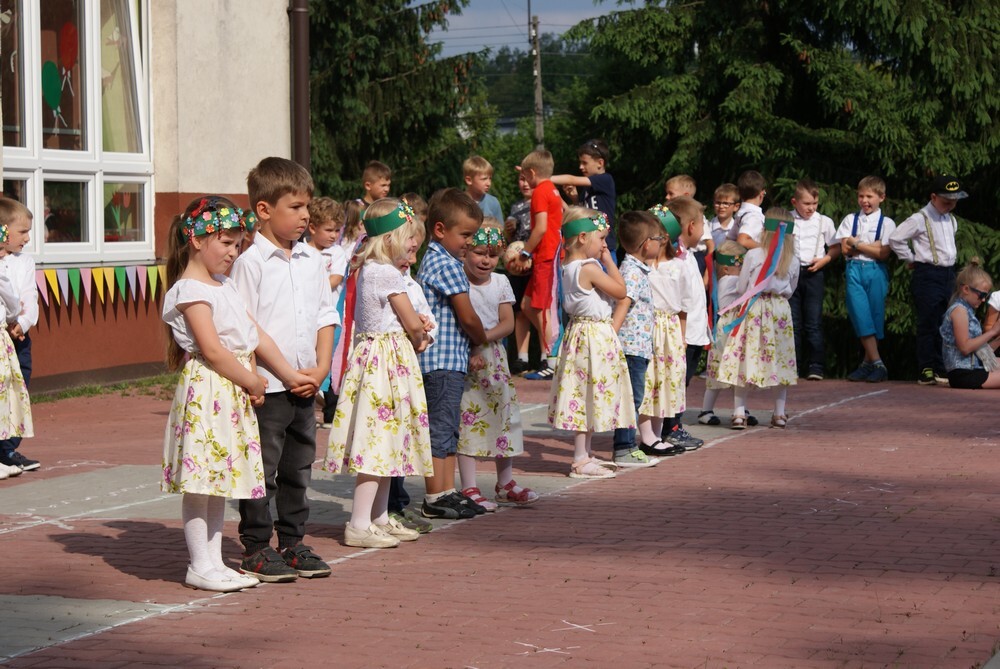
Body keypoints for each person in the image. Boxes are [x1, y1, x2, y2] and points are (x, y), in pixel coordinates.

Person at [161, 196, 315, 592]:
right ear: (197, 240)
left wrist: (286, 373)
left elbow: (254, 334)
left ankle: (213, 561)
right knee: (201, 483)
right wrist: (251, 381)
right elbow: (212, 349)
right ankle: (200, 563)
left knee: (218, 481)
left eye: (237, 244)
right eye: (226, 243)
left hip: (229, 392)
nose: (234, 252)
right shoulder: (191, 290)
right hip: (210, 390)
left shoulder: (224, 285)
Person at [230, 157, 337, 583]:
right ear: (263, 210)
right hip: (268, 386)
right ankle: (256, 547)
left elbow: (325, 316)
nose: (305, 215)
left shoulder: (312, 260)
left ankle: (292, 542)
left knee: (298, 468)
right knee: (262, 469)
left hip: (305, 384)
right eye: (295, 207)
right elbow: (245, 326)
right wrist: (283, 374)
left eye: (307, 207)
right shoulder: (249, 262)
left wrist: (321, 367)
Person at [324, 199, 432, 548]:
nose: (414, 242)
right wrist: (422, 331)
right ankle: (359, 523)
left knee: (387, 442)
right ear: (388, 239)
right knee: (377, 442)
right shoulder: (386, 273)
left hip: (381, 357)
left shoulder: (371, 269)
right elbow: (410, 321)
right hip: (386, 360)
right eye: (407, 236)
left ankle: (379, 517)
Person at [456, 223, 539, 508]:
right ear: (466, 251)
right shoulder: (458, 280)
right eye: (479, 253)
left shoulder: (501, 282)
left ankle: (505, 482)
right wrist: (472, 345)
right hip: (465, 356)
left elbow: (507, 323)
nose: (485, 260)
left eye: (492, 255)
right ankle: (469, 486)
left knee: (504, 417)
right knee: (468, 420)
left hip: (493, 358)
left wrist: (481, 340)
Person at [548, 208, 635, 479]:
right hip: (593, 338)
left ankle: (584, 455)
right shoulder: (588, 268)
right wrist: (609, 260)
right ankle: (579, 459)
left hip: (582, 335)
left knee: (586, 395)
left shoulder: (568, 267)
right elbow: (621, 291)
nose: (604, 245)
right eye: (601, 239)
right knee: (589, 396)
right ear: (583, 237)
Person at [417, 188, 488, 519]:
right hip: (440, 361)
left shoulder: (443, 259)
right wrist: (481, 338)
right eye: (465, 234)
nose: (470, 242)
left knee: (447, 429)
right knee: (440, 429)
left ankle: (445, 490)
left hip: (449, 361)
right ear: (440, 229)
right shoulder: (444, 264)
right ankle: (434, 495)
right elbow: (468, 315)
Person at [717, 209, 800, 428]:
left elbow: (743, 286)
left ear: (765, 231)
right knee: (781, 359)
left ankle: (738, 413)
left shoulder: (753, 255)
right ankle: (779, 413)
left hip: (753, 309)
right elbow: (791, 289)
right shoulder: (793, 260)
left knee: (746, 357)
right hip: (779, 310)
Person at [890, 175, 968, 385]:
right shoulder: (920, 218)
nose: (951, 205)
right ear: (933, 197)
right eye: (946, 201)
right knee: (929, 320)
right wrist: (910, 258)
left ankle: (941, 367)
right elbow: (895, 238)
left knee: (946, 320)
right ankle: (926, 368)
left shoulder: (950, 219)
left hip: (948, 274)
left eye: (954, 201)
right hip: (928, 274)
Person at [643, 201, 703, 451]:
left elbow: (687, 305)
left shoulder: (682, 263)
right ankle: (659, 432)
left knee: (672, 381)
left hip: (679, 332)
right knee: (656, 381)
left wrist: (688, 335)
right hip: (659, 331)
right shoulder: (648, 265)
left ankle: (663, 431)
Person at [610, 210, 663, 467]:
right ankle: (624, 447)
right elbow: (623, 302)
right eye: (659, 238)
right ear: (646, 244)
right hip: (630, 347)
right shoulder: (631, 271)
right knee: (631, 398)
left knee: (635, 397)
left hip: (638, 347)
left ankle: (627, 445)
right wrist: (612, 337)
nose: (662, 241)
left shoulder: (638, 269)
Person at [836, 176, 896, 383]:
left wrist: (856, 243)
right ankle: (878, 363)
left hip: (876, 271)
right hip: (854, 270)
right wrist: (870, 246)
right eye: (861, 196)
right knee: (860, 314)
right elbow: (844, 248)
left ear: (882, 197)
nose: (864, 200)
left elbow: (883, 254)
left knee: (875, 316)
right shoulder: (850, 219)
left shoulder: (887, 223)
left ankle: (867, 363)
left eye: (869, 196)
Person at [511, 149, 564, 380]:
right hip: (549, 254)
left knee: (543, 310)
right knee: (527, 304)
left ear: (532, 173)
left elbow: (541, 227)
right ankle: (552, 343)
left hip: (546, 256)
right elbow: (562, 212)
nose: (524, 180)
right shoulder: (551, 188)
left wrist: (525, 252)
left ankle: (552, 359)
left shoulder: (541, 192)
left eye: (525, 175)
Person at [0, 199, 40, 472]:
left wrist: (22, 324)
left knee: (19, 387)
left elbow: (29, 298)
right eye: (22, 231)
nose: (27, 237)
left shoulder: (24, 262)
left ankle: (8, 449)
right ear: (3, 231)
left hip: (17, 337)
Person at [789, 179, 840, 381]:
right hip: (792, 274)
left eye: (814, 204)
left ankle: (816, 365)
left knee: (813, 321)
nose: (811, 208)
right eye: (806, 204)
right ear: (795, 202)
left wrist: (824, 260)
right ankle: (793, 365)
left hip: (814, 272)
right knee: (793, 322)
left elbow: (835, 247)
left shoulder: (823, 221)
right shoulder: (787, 220)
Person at [699, 241, 752, 426]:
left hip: (736, 329)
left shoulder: (731, 279)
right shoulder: (729, 281)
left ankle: (741, 408)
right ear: (727, 269)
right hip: (728, 330)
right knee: (718, 371)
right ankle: (706, 410)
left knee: (738, 370)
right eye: (740, 266)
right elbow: (747, 287)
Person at [307, 197, 348, 428]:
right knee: (307, 358)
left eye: (337, 230)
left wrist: (313, 283)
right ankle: (310, 407)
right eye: (329, 230)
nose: (333, 235)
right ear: (313, 228)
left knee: (327, 361)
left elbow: (336, 278)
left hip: (328, 317)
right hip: (306, 317)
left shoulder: (337, 253)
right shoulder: (303, 249)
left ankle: (327, 406)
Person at [550, 139, 618, 254]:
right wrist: (574, 198)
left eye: (584, 163)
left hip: (604, 247)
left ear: (600, 163)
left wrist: (543, 179)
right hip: (589, 246)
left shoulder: (605, 179)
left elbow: (571, 179)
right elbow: (583, 216)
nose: (580, 167)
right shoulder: (587, 189)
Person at [941, 259, 1000, 388]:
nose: (984, 299)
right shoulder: (959, 311)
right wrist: (993, 332)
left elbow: (980, 350)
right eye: (981, 295)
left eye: (986, 295)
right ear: (966, 289)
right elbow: (965, 347)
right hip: (964, 374)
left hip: (973, 369)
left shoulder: (967, 310)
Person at [504, 173, 534, 375]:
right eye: (520, 179)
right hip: (518, 266)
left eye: (527, 179)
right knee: (520, 312)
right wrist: (509, 231)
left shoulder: (541, 204)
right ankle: (522, 357)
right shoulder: (515, 207)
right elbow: (510, 237)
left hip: (535, 262)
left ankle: (545, 356)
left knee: (537, 309)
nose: (523, 183)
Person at [665, 174, 714, 281]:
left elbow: (711, 245)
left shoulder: (698, 216)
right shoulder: (665, 212)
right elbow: (650, 222)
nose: (667, 197)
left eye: (670, 193)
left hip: (695, 257)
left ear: (686, 195)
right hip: (672, 259)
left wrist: (708, 274)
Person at [731, 170, 767, 250]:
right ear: (762, 194)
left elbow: (731, 238)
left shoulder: (741, 214)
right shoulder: (754, 216)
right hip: (752, 260)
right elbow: (742, 241)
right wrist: (765, 247)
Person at [463, 155, 503, 221]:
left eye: (490, 178)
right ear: (469, 180)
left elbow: (499, 228)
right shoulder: (458, 203)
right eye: (484, 179)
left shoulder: (493, 202)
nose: (489, 183)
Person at [709, 183, 740, 251]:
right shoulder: (707, 227)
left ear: (736, 207)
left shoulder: (738, 229)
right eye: (718, 203)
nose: (721, 206)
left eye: (726, 203)